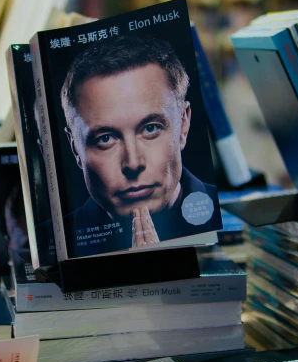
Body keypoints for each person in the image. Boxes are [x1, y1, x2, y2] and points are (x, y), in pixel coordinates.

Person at [61, 34, 220, 257]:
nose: (133, 163)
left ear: (184, 124)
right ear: (75, 147)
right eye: (105, 139)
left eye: (150, 128)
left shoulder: (227, 221)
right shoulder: (55, 241)